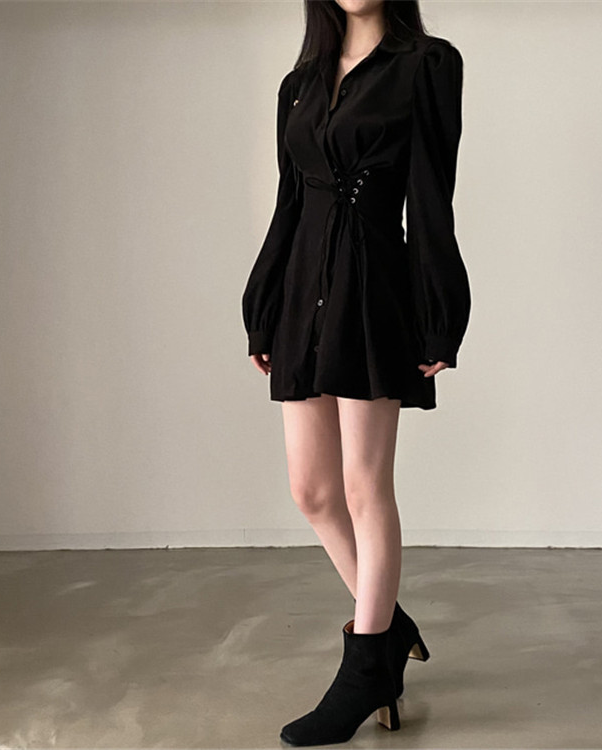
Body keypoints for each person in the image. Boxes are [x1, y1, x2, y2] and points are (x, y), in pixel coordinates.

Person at [241, 0, 471, 745]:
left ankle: (368, 661)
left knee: (365, 486)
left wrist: (439, 313)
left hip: (373, 292)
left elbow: (431, 198)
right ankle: (390, 627)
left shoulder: (427, 65)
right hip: (300, 292)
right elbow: (288, 202)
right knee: (311, 491)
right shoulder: (299, 83)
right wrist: (263, 303)